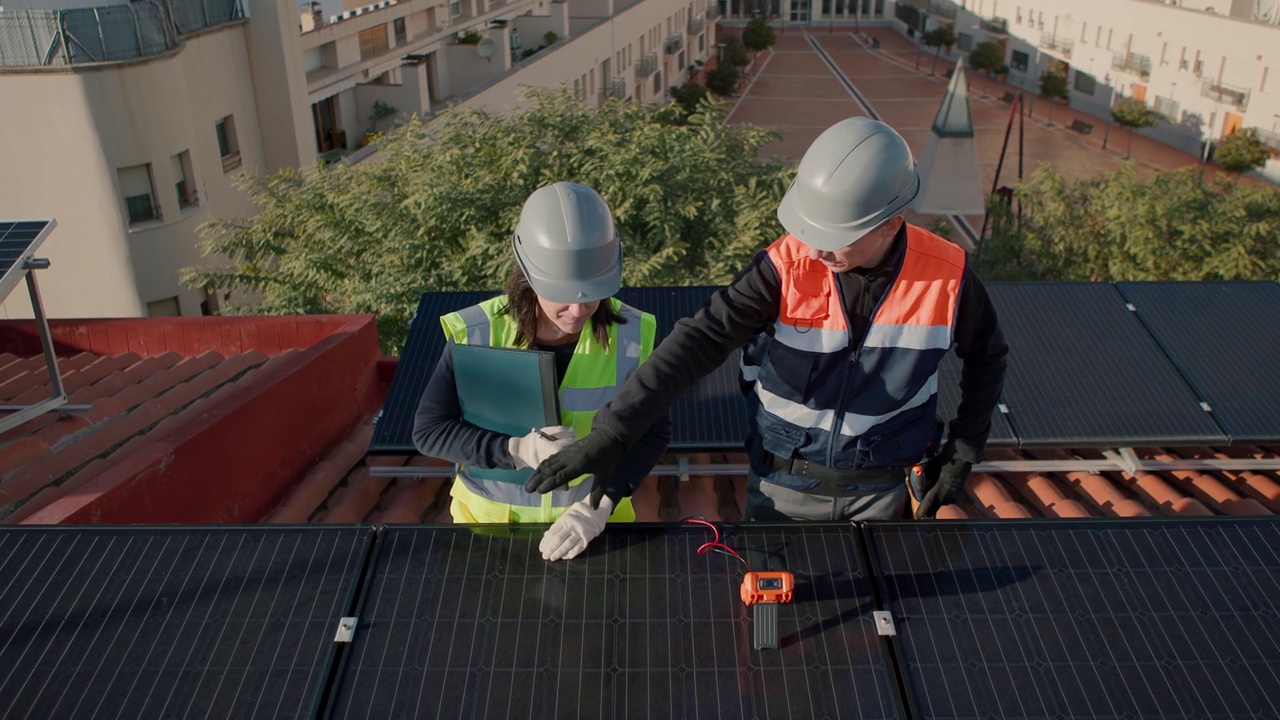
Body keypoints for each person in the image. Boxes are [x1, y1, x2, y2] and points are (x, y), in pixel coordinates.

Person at [526, 118, 1007, 521]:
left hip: (883, 489)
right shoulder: (785, 265)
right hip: (782, 484)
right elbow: (702, 340)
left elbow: (988, 357)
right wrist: (614, 429)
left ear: (890, 224)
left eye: (833, 236)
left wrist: (963, 451)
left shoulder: (948, 275)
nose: (815, 248)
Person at [412, 181, 670, 559]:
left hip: (593, 536)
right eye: (562, 295)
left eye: (592, 294)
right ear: (529, 276)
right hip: (487, 537)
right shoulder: (477, 334)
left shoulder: (635, 335)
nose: (579, 311)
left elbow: (653, 433)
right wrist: (513, 450)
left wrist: (600, 505)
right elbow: (429, 430)